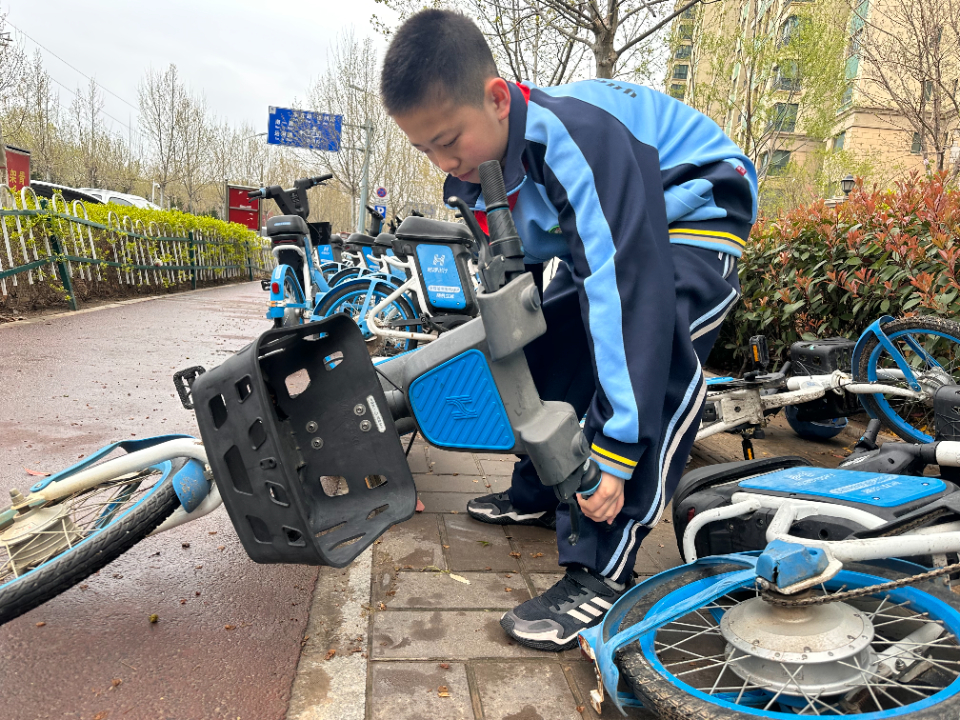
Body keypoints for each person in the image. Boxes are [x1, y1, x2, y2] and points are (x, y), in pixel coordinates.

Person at [380, 9, 758, 651]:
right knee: (546, 338)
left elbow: (624, 291)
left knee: (654, 355)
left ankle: (601, 572)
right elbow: (516, 307)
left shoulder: (573, 141)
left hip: (694, 212)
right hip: (619, 235)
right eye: (425, 150)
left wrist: (614, 449)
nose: (444, 161)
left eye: (448, 140)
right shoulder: (479, 170)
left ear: (497, 99)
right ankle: (537, 492)